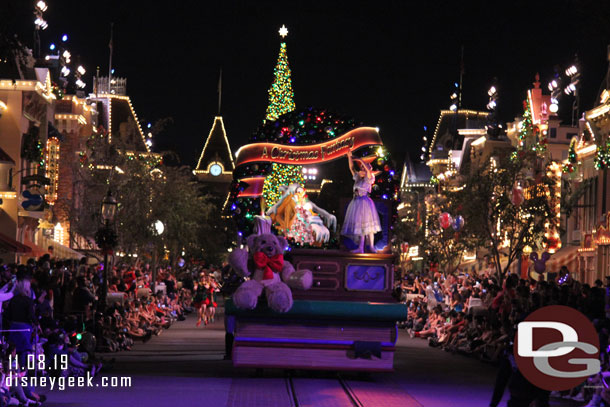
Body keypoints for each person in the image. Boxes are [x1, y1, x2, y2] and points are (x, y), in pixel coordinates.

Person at [341, 150, 381, 253]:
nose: (362, 169)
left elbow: (368, 170)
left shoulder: (369, 178)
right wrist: (350, 157)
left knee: (367, 225)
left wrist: (360, 160)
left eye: (363, 167)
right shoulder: (358, 178)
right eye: (361, 168)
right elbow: (351, 168)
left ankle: (370, 247)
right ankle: (361, 247)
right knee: (360, 225)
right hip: (356, 201)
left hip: (364, 202)